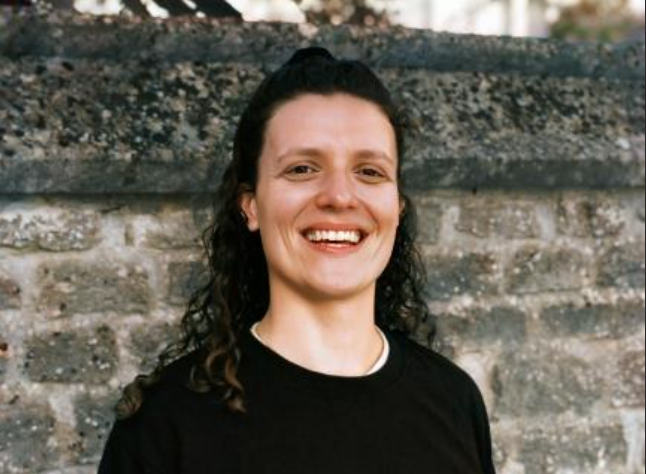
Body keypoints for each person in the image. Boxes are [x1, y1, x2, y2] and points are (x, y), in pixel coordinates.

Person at [97, 46, 497, 474]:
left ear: (396, 206)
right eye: (303, 169)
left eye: (370, 171)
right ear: (250, 205)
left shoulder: (454, 400)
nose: (340, 197)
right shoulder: (165, 425)